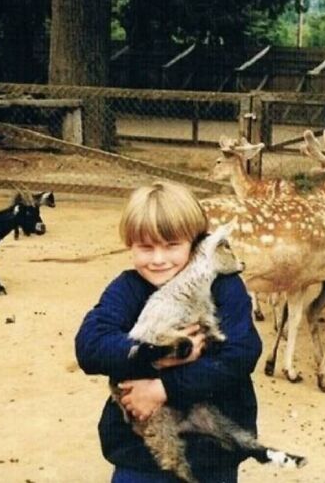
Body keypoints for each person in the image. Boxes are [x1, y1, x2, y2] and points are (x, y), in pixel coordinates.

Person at [75, 182, 262, 483]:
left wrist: (164, 389)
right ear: (129, 244)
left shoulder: (223, 287)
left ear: (196, 242)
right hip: (140, 454)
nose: (158, 259)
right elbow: (90, 347)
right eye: (146, 247)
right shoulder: (128, 288)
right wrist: (154, 356)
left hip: (211, 452)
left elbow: (240, 354)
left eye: (172, 245)